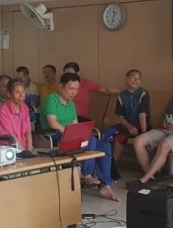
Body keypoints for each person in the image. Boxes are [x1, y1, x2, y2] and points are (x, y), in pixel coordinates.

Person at [40, 72, 119, 202]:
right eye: (71, 88)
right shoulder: (51, 99)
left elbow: (75, 124)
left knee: (104, 146)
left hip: (71, 136)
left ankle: (105, 185)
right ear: (61, 86)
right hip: (54, 136)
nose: (74, 92)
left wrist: (80, 134)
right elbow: (53, 123)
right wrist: (71, 134)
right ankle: (86, 174)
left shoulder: (71, 104)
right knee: (90, 140)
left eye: (76, 89)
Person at [108, 69, 150, 168]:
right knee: (108, 134)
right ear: (127, 79)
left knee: (120, 137)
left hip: (142, 124)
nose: (136, 81)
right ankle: (111, 167)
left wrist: (144, 133)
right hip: (127, 125)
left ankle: (111, 167)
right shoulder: (121, 96)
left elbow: (142, 115)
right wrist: (129, 127)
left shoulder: (143, 93)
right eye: (133, 77)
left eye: (138, 78)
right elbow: (121, 117)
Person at [0, 80, 34, 153]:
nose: (21, 95)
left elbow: (28, 131)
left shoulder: (24, 107)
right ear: (9, 94)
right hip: (9, 148)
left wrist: (29, 149)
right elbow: (11, 136)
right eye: (17, 92)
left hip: (24, 147)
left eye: (23, 92)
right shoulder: (3, 110)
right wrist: (24, 152)